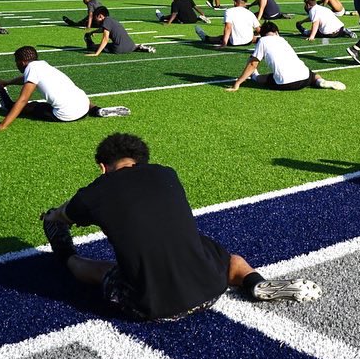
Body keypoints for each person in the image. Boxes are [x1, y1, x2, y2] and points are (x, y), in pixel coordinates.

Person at [40, 133, 322, 321]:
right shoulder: (166, 173)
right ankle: (254, 282)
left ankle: (67, 258)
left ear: (103, 167)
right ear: (141, 161)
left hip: (150, 306)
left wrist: (52, 217)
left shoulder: (95, 192)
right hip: (212, 289)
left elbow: (64, 215)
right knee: (219, 254)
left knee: (99, 270)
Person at [0, 46, 130, 132]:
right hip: (85, 105)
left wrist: (3, 124)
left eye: (16, 62)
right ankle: (97, 110)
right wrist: (8, 82)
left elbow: (23, 99)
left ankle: (7, 104)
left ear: (23, 62)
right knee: (74, 95)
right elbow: (26, 79)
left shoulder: (31, 68)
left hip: (66, 115)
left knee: (30, 107)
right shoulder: (42, 65)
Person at [228, 22, 346, 91]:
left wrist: (238, 82)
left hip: (286, 83)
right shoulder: (282, 39)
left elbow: (253, 64)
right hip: (305, 78)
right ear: (277, 32)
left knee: (263, 78)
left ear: (262, 33)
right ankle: (321, 81)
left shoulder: (263, 41)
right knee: (313, 75)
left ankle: (255, 77)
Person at [194, 0, 260, 47]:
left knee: (219, 38)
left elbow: (228, 27)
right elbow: (258, 29)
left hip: (234, 42)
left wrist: (224, 43)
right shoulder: (250, 13)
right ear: (245, 3)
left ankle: (206, 38)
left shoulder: (229, 11)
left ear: (234, 2)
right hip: (248, 42)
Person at [85, 7, 156, 56]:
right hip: (131, 46)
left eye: (95, 18)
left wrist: (97, 53)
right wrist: (93, 32)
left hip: (118, 49)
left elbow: (105, 39)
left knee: (92, 47)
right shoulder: (111, 20)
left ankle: (90, 43)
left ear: (100, 16)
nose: (95, 20)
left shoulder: (106, 21)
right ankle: (139, 47)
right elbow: (104, 29)